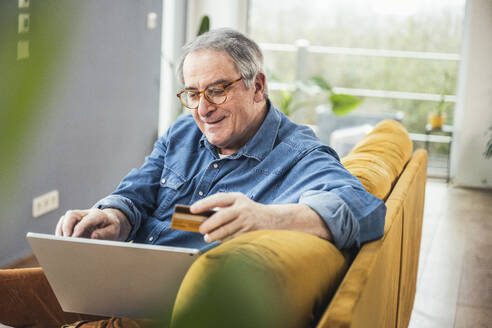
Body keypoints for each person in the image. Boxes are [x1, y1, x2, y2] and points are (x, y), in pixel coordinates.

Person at [0, 28, 386, 327]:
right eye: (192, 93)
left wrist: (268, 218)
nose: (203, 109)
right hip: (119, 280)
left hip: (177, 309)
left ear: (258, 86)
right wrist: (114, 217)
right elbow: (138, 190)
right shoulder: (183, 133)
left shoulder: (299, 154)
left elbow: (365, 210)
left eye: (217, 90)